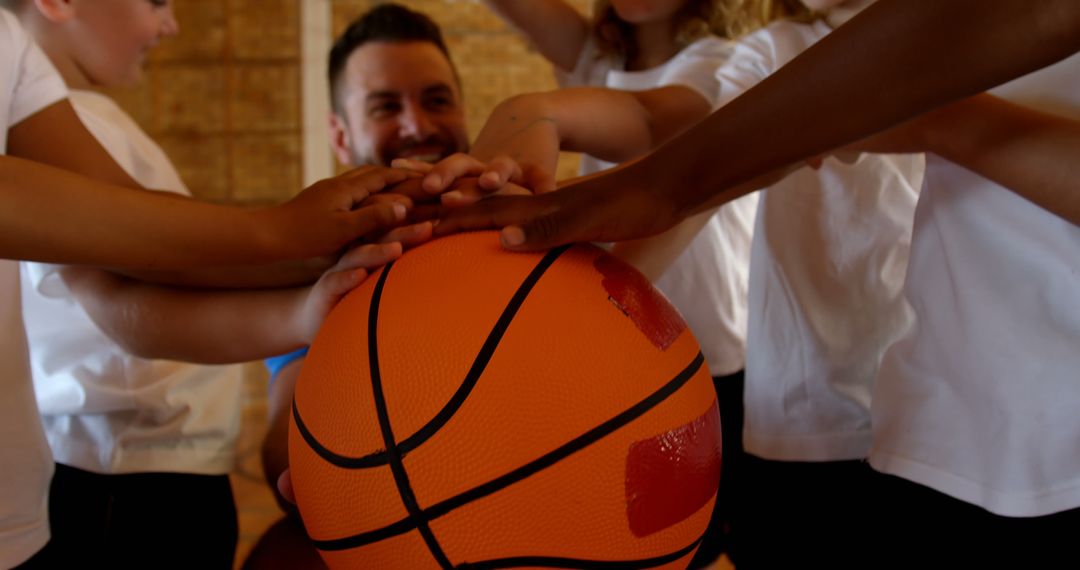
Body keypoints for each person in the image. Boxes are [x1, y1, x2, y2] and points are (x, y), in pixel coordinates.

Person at [427, 0, 1080, 564]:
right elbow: (689, 160)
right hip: (890, 427)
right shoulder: (783, 51)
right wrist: (536, 120)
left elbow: (684, 172)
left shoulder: (938, 44)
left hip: (921, 416)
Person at [0, 6, 418, 567]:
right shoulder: (84, 122)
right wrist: (294, 242)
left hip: (94, 480)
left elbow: (166, 268)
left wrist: (315, 277)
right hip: (119, 475)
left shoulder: (53, 97)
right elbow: (126, 297)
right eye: (154, 1)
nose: (170, 25)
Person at [477, 1, 792, 565]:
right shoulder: (597, 58)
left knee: (715, 527)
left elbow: (655, 122)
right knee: (644, 541)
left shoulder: (722, 62)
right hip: (621, 349)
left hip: (714, 355)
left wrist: (538, 111)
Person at [244, 5, 467, 569]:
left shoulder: (518, 237)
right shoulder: (327, 269)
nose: (418, 126)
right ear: (340, 135)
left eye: (437, 99)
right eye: (386, 107)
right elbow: (281, 453)